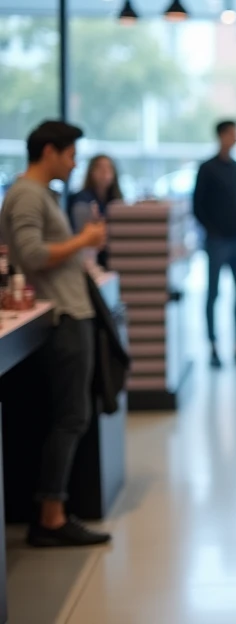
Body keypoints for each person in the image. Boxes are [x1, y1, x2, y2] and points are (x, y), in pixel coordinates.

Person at [0, 121, 111, 548]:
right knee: (71, 416)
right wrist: (84, 239)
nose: (74, 162)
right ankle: (51, 514)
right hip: (63, 315)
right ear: (49, 151)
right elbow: (31, 254)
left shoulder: (34, 194)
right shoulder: (27, 194)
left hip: (67, 311)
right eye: (70, 154)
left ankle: (53, 509)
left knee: (71, 415)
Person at [192, 120, 236, 368]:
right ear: (221, 135)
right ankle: (213, 347)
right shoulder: (207, 168)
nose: (235, 137)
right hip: (217, 241)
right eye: (231, 133)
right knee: (213, 293)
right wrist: (212, 231)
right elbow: (197, 206)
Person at [69, 154, 124, 269]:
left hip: (113, 259)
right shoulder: (82, 201)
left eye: (109, 168)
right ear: (91, 172)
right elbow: (82, 235)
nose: (105, 173)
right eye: (100, 168)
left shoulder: (116, 202)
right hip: (88, 261)